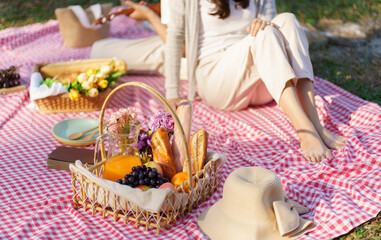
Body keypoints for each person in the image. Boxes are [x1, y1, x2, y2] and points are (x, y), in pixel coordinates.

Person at [91, 0, 347, 163]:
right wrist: (172, 93)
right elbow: (175, 41)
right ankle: (304, 130)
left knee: (287, 20)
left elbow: (272, 23)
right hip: (218, 79)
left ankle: (315, 124)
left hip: (264, 81)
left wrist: (264, 23)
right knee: (266, 33)